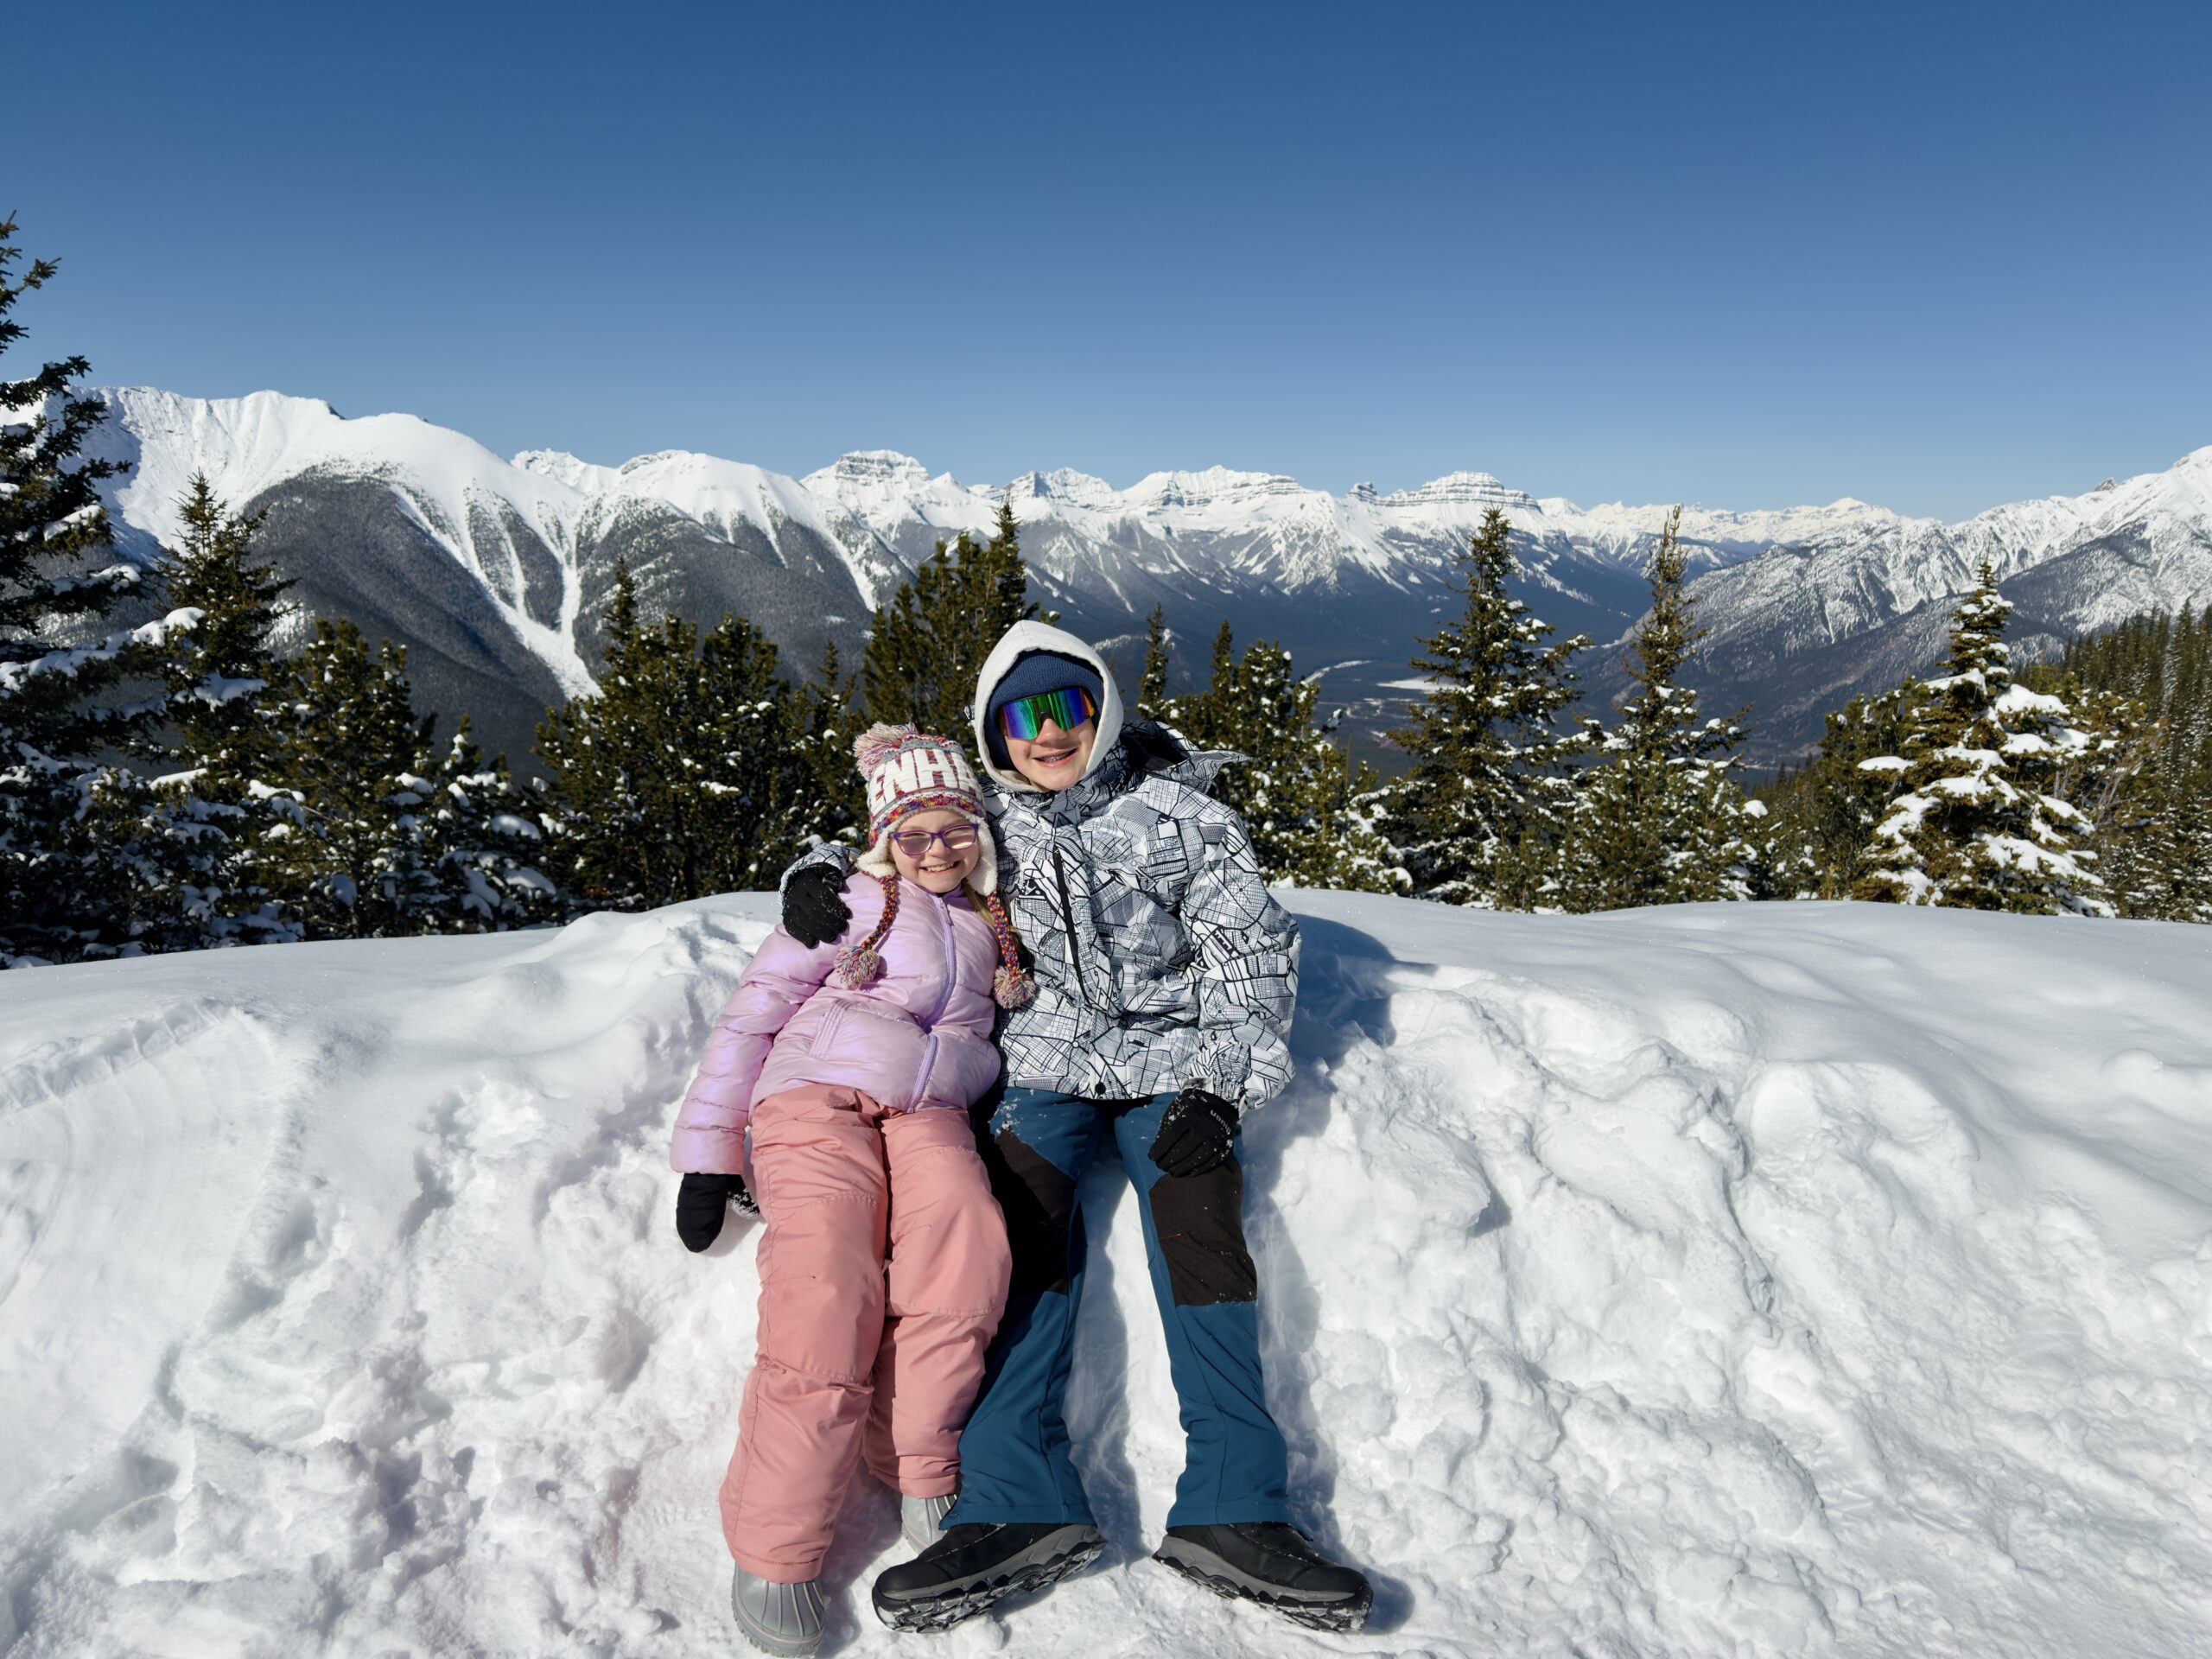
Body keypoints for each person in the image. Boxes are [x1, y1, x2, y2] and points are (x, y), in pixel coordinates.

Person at [780, 620, 1372, 1635]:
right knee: (1013, 1247)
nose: (1047, 733)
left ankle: (1234, 1507)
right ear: (992, 731)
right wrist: (821, 870)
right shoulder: (985, 822)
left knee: (1203, 1240)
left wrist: (1221, 1087)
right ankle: (1017, 1502)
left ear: (1101, 713)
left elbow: (1249, 954)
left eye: (1069, 708)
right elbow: (903, 834)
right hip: (1044, 1064)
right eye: (1023, 716)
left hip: (1173, 1060)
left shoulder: (1185, 821)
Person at [670, 724, 1026, 1657]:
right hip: (816, 1096)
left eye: (956, 830)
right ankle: (777, 1544)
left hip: (928, 1112)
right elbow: (752, 1014)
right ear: (884, 840)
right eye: (914, 834)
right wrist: (709, 1153)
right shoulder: (851, 900)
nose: (937, 849)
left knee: (968, 1238)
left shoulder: (1000, 917)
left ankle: (917, 1455)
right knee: (829, 1279)